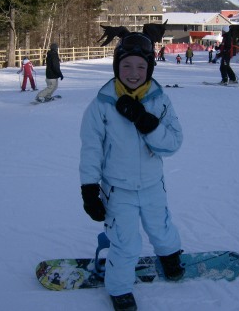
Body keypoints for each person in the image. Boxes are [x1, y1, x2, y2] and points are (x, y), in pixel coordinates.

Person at [79, 30, 184, 311]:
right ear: (116, 67)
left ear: (150, 67)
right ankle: (120, 289)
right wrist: (89, 189)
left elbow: (173, 143)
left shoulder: (159, 100)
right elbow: (91, 150)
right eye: (126, 65)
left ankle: (170, 256)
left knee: (161, 228)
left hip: (152, 186)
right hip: (118, 190)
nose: (133, 72)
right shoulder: (102, 105)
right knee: (125, 243)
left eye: (141, 66)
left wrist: (145, 121)